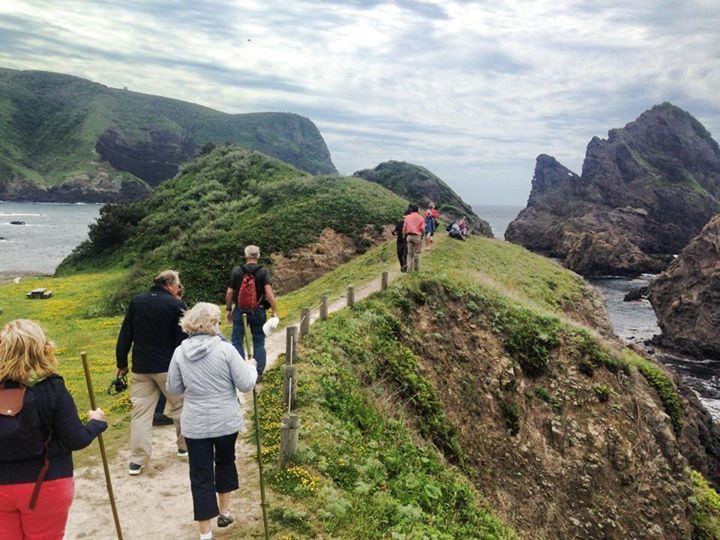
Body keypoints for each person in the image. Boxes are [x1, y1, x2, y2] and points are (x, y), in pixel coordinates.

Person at [0, 319, 107, 539]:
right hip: (46, 485)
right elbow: (75, 439)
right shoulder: (51, 387)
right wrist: (96, 422)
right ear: (42, 348)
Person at [166, 303, 257, 540]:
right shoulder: (226, 350)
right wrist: (252, 368)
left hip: (195, 424)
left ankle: (205, 533)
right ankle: (224, 510)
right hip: (225, 420)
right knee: (225, 461)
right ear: (212, 324)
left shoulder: (179, 352)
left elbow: (174, 388)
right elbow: (246, 384)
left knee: (200, 474)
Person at [116, 269, 188, 476]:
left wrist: (121, 362)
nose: (178, 288)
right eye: (178, 285)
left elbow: (125, 334)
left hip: (141, 367)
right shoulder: (177, 305)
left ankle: (136, 462)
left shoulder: (137, 301)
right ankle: (184, 447)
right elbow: (181, 341)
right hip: (168, 368)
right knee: (181, 406)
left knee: (140, 414)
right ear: (170, 285)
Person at [225, 245, 277, 382]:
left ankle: (240, 372)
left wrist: (229, 309)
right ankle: (258, 374)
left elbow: (230, 292)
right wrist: (274, 310)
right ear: (258, 256)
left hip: (239, 310)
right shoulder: (263, 272)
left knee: (237, 341)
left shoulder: (237, 271)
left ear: (246, 255)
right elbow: (268, 292)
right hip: (258, 311)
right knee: (259, 341)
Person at [402, 204, 425, 271]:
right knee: (416, 253)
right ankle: (416, 268)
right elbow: (423, 229)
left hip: (409, 236)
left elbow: (404, 228)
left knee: (410, 254)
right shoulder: (420, 217)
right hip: (417, 236)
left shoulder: (407, 217)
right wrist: (422, 236)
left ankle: (409, 269)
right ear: (418, 210)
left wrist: (404, 236)